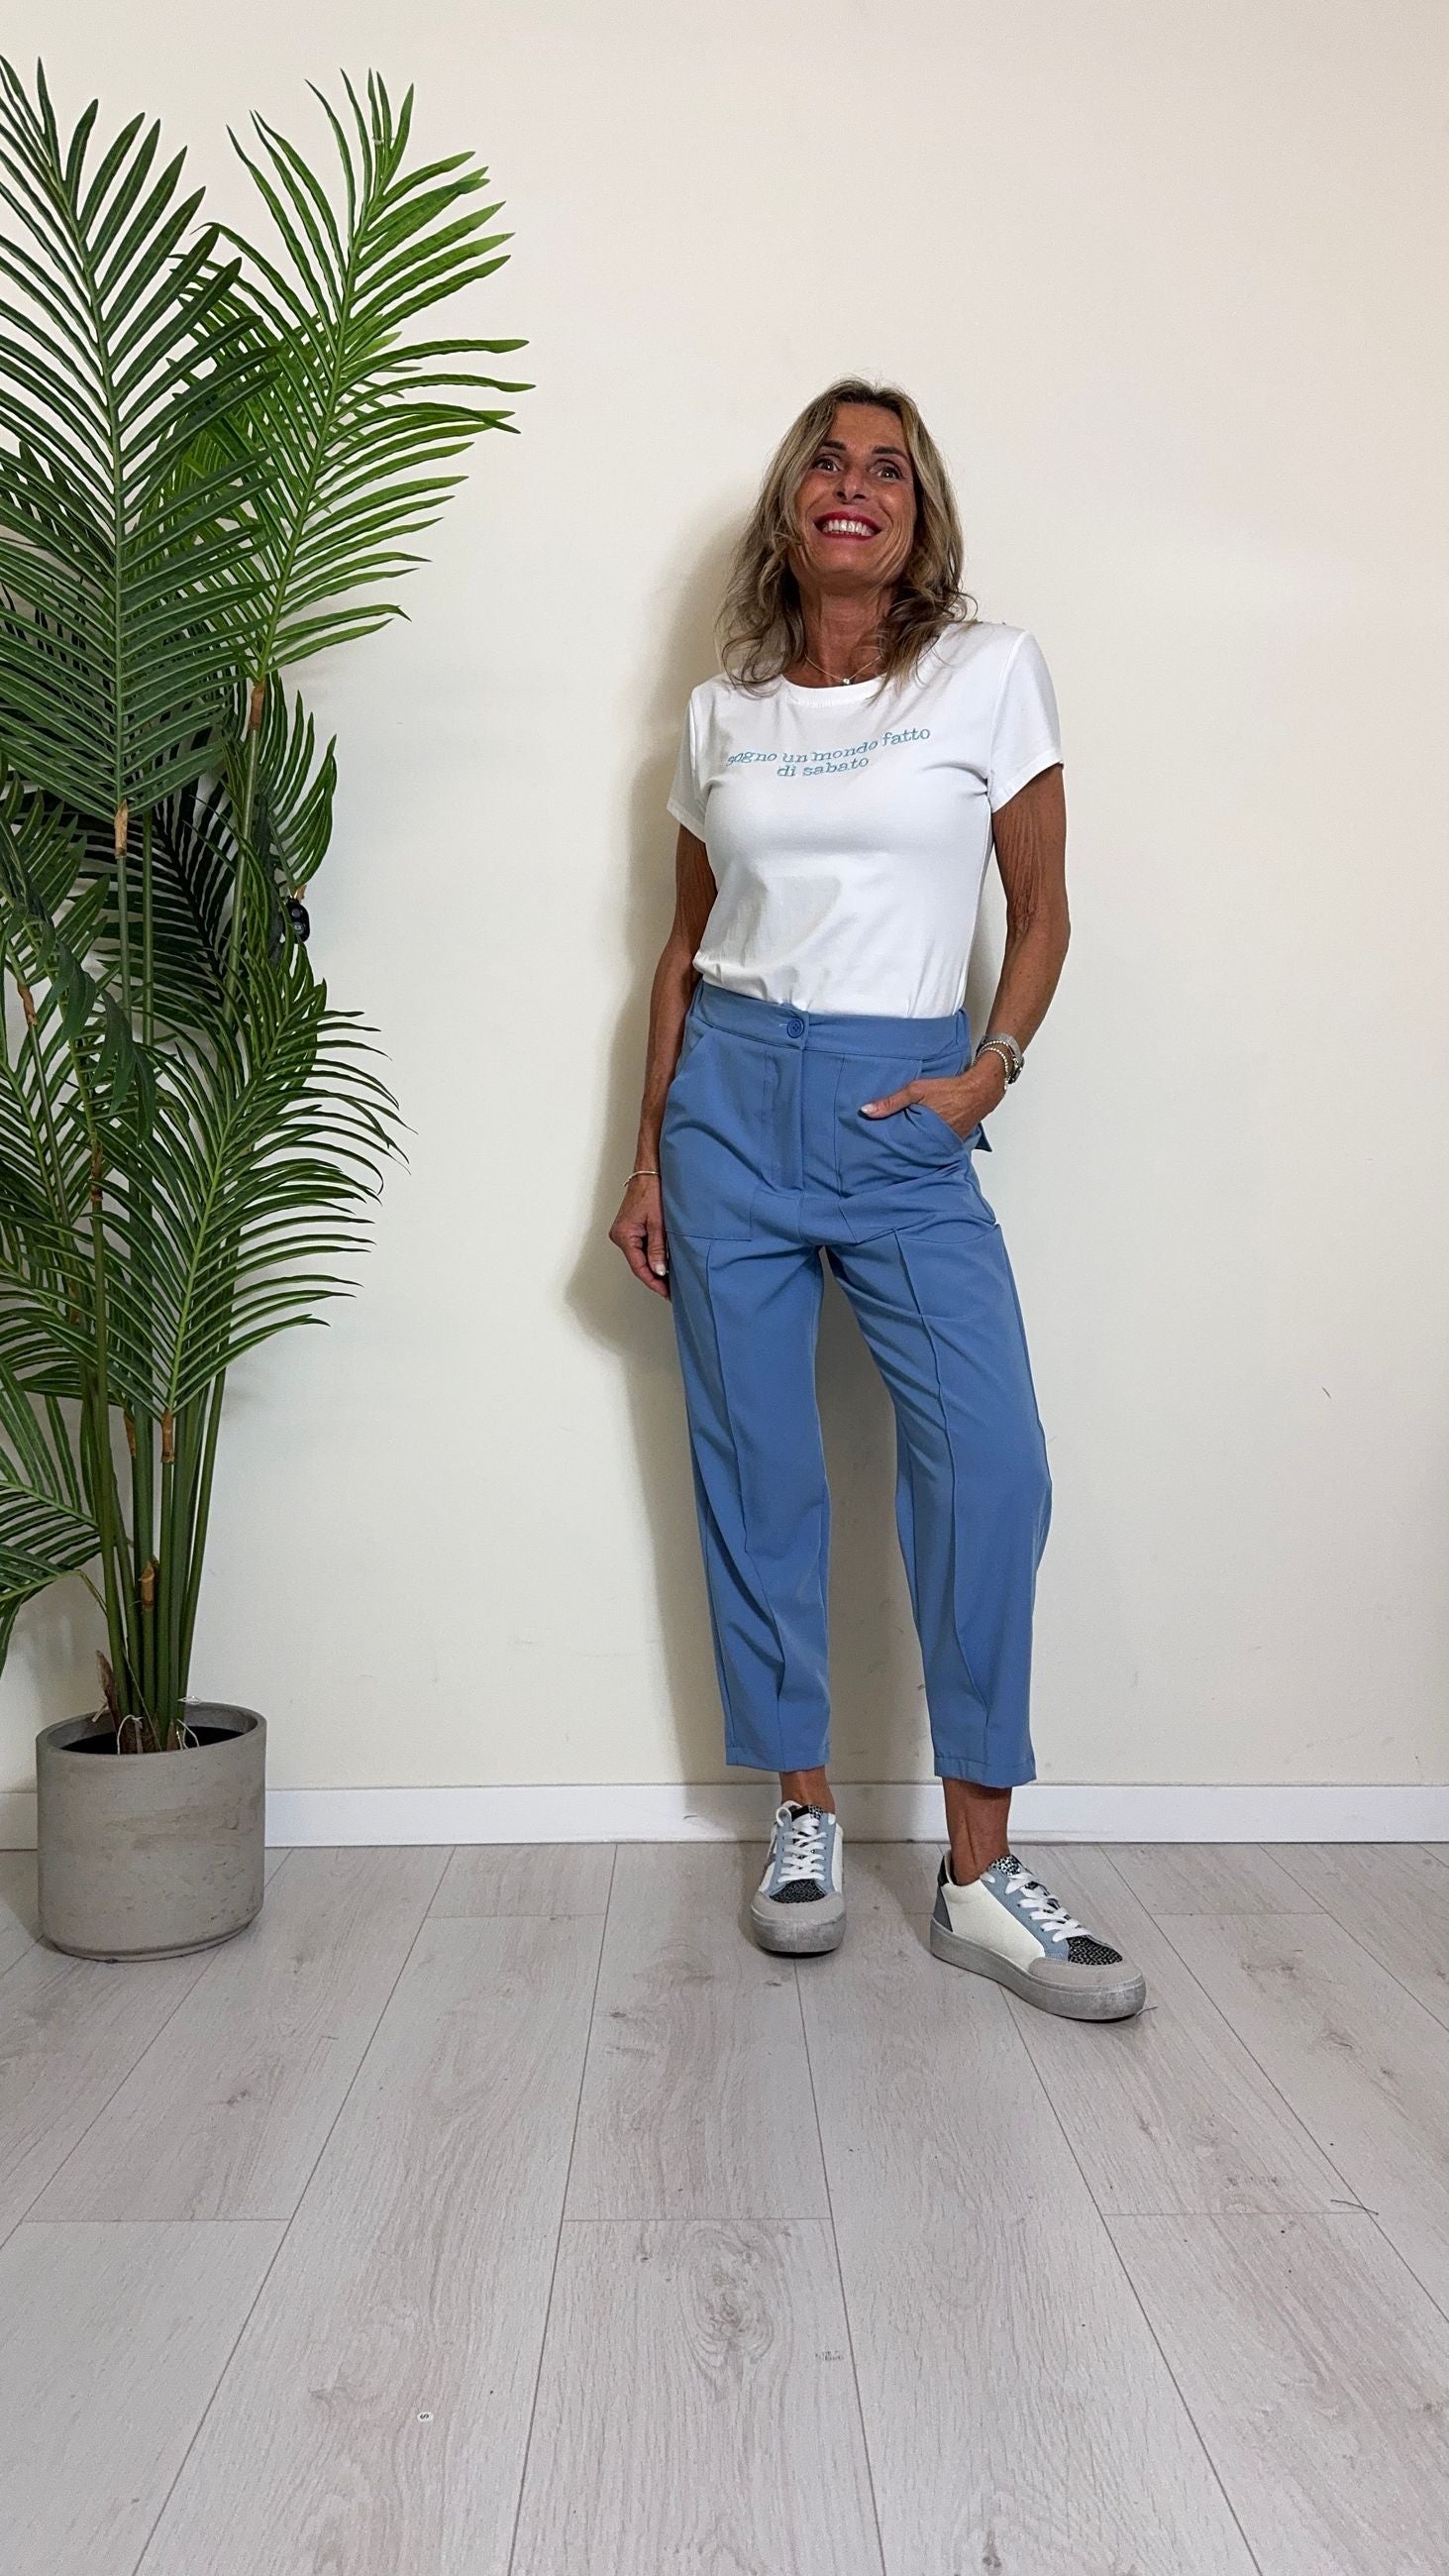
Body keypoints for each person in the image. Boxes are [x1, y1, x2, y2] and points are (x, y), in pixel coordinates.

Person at [610, 378, 1145, 2022]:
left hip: (902, 1102)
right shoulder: (723, 713)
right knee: (759, 1470)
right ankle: (804, 1814)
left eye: (889, 468)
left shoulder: (988, 672)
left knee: (992, 1464)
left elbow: (1043, 911)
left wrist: (988, 1071)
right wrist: (647, 1154)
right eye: (828, 463)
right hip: (729, 1113)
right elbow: (685, 948)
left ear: (921, 514)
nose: (855, 485)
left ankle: (980, 1875)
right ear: (792, 506)